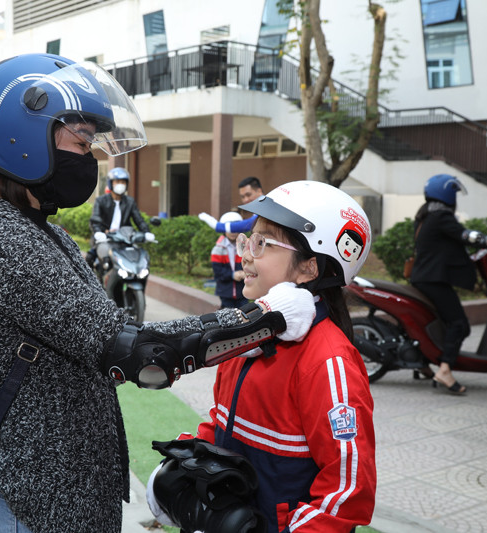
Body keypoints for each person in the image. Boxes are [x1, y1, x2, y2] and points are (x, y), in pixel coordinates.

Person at [0, 53, 314, 533]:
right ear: (19, 138)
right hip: (43, 500)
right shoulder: (1, 244)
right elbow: (139, 353)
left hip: (70, 490)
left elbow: (114, 331)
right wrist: (265, 316)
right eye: (80, 139)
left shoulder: (42, 233)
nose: (91, 157)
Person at [147, 181, 378, 533]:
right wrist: (189, 465)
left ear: (309, 268)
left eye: (263, 243)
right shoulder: (248, 337)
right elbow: (222, 419)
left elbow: (348, 491)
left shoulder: (328, 362)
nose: (246, 254)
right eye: (247, 240)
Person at [410, 174, 487, 395]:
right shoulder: (441, 216)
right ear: (448, 193)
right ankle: (445, 369)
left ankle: (423, 363)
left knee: (438, 321)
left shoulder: (425, 215)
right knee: (459, 324)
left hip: (424, 278)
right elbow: (467, 236)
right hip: (432, 280)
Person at [86, 166, 154, 270]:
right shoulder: (101, 201)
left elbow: (139, 220)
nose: (120, 185)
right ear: (110, 183)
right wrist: (99, 232)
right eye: (117, 181)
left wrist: (146, 232)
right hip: (106, 237)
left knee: (138, 261)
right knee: (90, 258)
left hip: (125, 239)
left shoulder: (130, 202)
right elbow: (96, 219)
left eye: (123, 182)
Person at [198, 176, 264, 234]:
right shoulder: (259, 209)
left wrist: (218, 226)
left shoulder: (266, 207)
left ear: (259, 191)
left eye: (248, 195)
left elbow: (250, 223)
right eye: (242, 197)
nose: (245, 200)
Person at [211, 211, 247, 309]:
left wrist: (246, 273)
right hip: (225, 291)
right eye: (230, 229)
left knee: (244, 316)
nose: (233, 232)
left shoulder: (246, 247)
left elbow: (252, 265)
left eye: (235, 229)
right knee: (228, 317)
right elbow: (217, 272)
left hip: (243, 290)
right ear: (224, 229)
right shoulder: (218, 249)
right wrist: (232, 275)